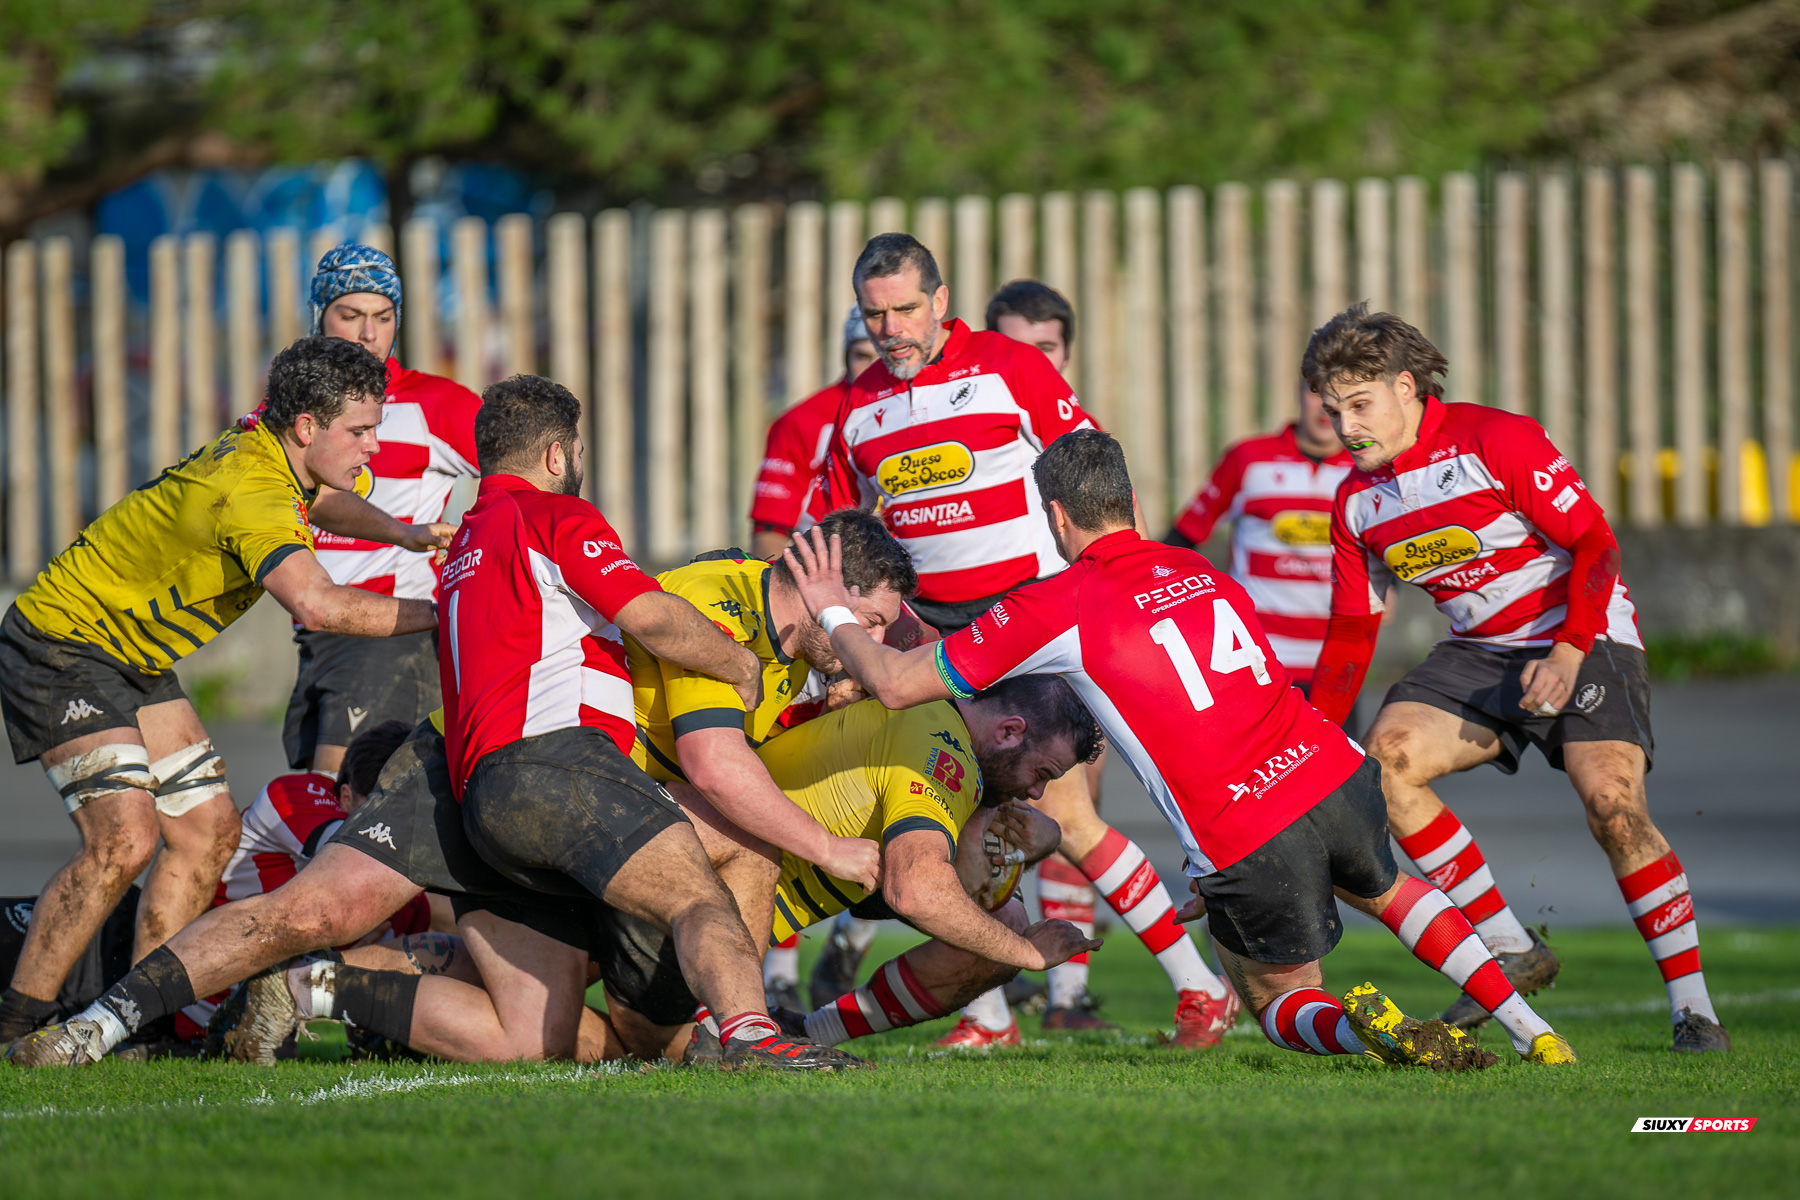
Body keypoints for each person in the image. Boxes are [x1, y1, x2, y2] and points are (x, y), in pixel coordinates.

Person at [9, 376, 853, 1072]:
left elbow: (363, 563)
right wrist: (744, 666)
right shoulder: (555, 517)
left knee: (345, 931)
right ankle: (750, 1036)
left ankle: (101, 1026)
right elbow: (655, 617)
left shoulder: (461, 550)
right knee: (706, 883)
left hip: (456, 774)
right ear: (559, 454)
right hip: (552, 766)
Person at [780, 429, 1580, 1069]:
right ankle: (1533, 1031)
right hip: (1332, 770)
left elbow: (892, 682)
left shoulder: (1059, 601)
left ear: (1057, 518)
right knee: (1396, 892)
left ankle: (1362, 1032)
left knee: (1276, 1005)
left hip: (1245, 826)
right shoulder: (1199, 567)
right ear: (1129, 501)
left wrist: (835, 611)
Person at [232, 675, 1102, 1065]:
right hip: (672, 883)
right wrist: (1028, 948)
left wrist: (1017, 851)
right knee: (598, 1047)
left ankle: (319, 987)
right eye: (1044, 770)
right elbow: (916, 889)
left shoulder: (947, 758)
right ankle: (325, 983)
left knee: (563, 1038)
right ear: (1012, 733)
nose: (1044, 790)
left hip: (667, 880)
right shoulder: (942, 745)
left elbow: (936, 886)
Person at [809, 255, 1231, 1047]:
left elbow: (1093, 471)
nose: (891, 330)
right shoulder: (856, 409)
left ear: (941, 300)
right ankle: (989, 1014)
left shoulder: (1012, 369)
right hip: (931, 637)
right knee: (947, 811)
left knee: (1066, 814)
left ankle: (1200, 987)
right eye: (875, 316)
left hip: (1032, 619)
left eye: (904, 310)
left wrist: (1115, 577)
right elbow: (837, 537)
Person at [0, 335, 448, 1048]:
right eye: (362, 431)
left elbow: (323, 503)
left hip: (129, 655)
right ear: (308, 427)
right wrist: (452, 610)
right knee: (125, 841)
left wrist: (405, 531)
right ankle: (16, 1024)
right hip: (61, 643)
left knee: (209, 830)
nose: (374, 446)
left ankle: (133, 1023)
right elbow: (319, 606)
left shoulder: (270, 448)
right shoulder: (254, 490)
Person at [1305, 304, 1729, 1053]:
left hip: (1584, 634)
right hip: (1481, 651)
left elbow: (1595, 545)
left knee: (1612, 807)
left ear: (1408, 389)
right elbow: (1349, 634)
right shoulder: (1357, 502)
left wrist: (1567, 653)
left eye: (1360, 406)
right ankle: (1512, 948)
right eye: (1334, 411)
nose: (1347, 427)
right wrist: (1310, 744)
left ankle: (1693, 1012)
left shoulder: (1496, 439)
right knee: (1386, 766)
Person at [282, 243, 484, 777]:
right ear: (319, 318)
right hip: (318, 634)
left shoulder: (436, 404)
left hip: (393, 635)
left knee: (341, 806)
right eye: (350, 315)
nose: (369, 334)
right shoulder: (288, 410)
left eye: (384, 317)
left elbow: (530, 477)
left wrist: (480, 557)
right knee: (318, 809)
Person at [1165, 380, 1356, 694]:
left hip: (1337, 661)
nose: (1326, 404)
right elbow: (1182, 538)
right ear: (1297, 391)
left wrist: (1391, 590)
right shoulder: (1248, 458)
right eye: (1316, 391)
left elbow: (1386, 544)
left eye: (1342, 395)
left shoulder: (1367, 470)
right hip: (1256, 657)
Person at [749, 307, 879, 561]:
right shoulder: (801, 421)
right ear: (845, 356)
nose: (873, 369)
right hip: (826, 577)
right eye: (862, 356)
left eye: (882, 356)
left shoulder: (927, 409)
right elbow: (770, 530)